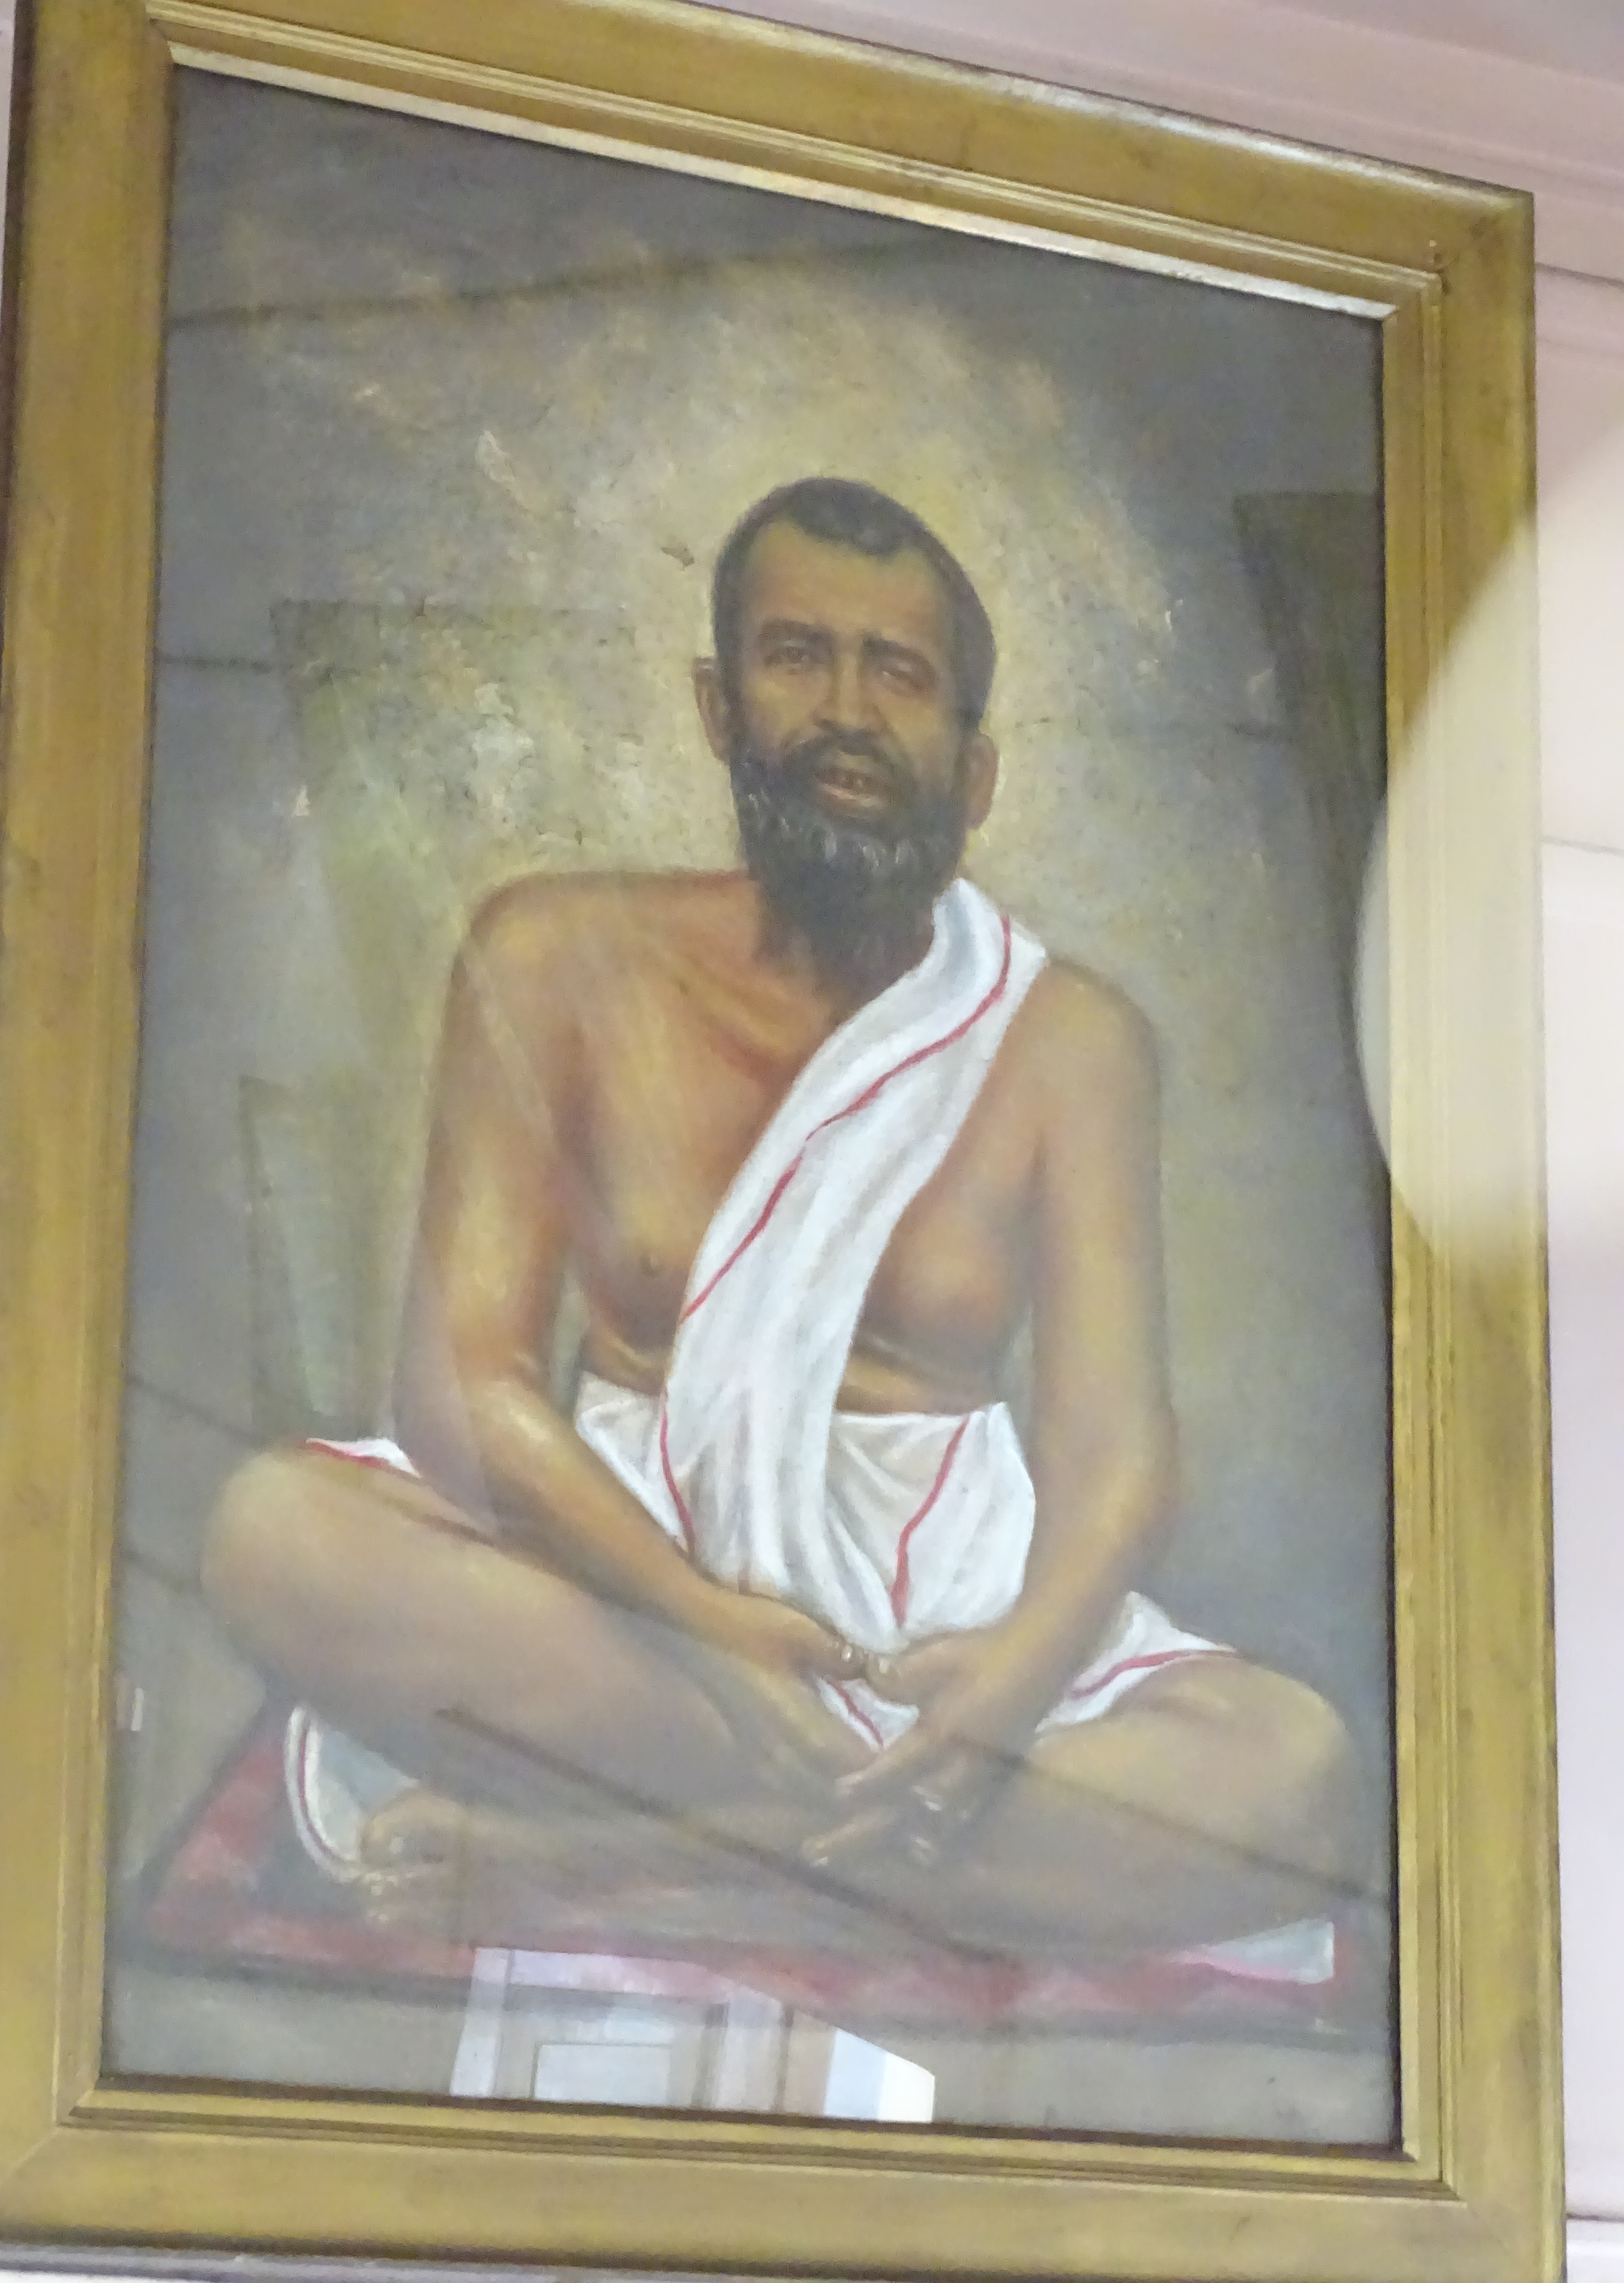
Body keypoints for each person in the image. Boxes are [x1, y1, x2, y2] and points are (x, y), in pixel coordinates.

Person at [203, 477, 1365, 1966]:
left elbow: (1115, 1454)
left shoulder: (1073, 1040)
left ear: (976, 767)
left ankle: (619, 1865)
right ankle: (876, 1846)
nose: (847, 713)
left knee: (1293, 1775)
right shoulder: (554, 953)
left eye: (901, 673)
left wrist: (1009, 1686)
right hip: (631, 1595)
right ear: (719, 705)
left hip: (941, 1629)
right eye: (798, 656)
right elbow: (464, 1388)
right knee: (279, 1537)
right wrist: (709, 1628)